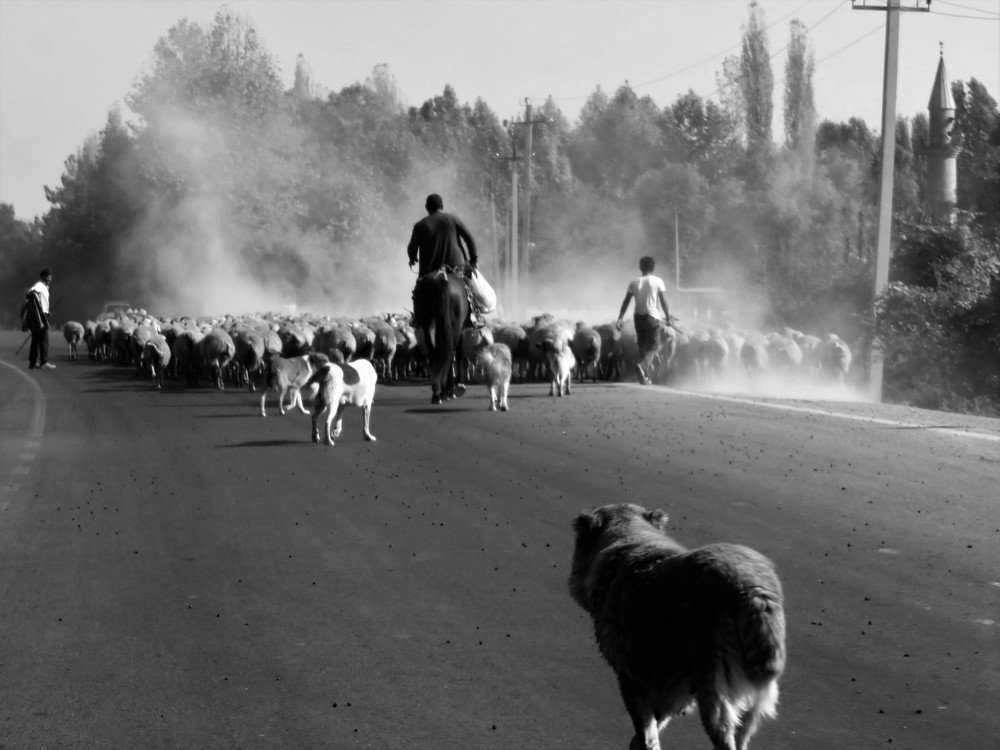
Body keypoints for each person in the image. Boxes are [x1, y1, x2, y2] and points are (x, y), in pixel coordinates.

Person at [407, 193, 479, 325]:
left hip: (430, 271)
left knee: (419, 292)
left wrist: (412, 258)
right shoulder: (453, 219)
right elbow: (469, 238)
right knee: (469, 289)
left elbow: (412, 248)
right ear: (442, 206)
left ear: (427, 207)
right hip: (456, 268)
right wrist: (473, 259)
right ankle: (474, 317)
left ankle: (418, 319)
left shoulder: (420, 225)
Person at [617, 256, 670, 385]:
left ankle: (645, 377)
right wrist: (668, 317)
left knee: (642, 346)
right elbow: (662, 300)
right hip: (652, 317)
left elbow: (626, 301)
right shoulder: (658, 281)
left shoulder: (634, 282)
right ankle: (642, 366)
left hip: (638, 317)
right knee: (654, 347)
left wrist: (620, 318)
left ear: (640, 267)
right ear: (653, 267)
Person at [24, 268, 55, 370]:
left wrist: (46, 311)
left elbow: (41, 301)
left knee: (36, 339)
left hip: (42, 315)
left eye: (50, 276)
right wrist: (40, 311)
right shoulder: (40, 285)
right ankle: (44, 362)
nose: (49, 278)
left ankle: (33, 362)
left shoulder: (45, 287)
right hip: (39, 317)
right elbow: (31, 291)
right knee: (44, 340)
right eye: (48, 276)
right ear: (43, 277)